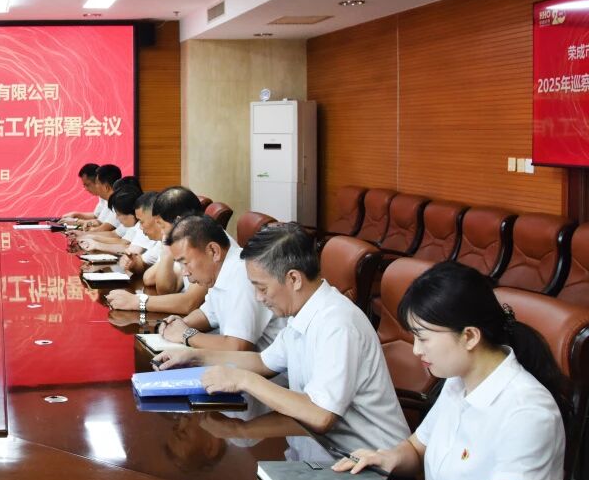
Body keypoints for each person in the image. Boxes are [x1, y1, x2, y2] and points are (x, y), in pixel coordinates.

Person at [307, 262, 569, 480]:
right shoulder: (458, 380)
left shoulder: (527, 411)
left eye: (423, 338)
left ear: (469, 336)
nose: (416, 350)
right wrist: (387, 457)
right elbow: (418, 448)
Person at [153, 223, 409, 454]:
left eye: (262, 288)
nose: (258, 297)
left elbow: (320, 415)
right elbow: (263, 362)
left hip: (370, 463)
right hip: (321, 451)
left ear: (294, 279)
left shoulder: (338, 324)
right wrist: (194, 356)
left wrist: (243, 380)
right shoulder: (303, 312)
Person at [155, 214, 284, 352]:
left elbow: (237, 347)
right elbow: (208, 315)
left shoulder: (243, 274)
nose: (184, 272)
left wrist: (186, 335)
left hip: (267, 364)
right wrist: (178, 324)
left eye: (185, 263)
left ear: (213, 251)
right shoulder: (220, 271)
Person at [105, 186, 206, 314]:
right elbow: (164, 288)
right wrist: (167, 250)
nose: (162, 233)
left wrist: (137, 301)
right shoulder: (183, 242)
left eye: (161, 225)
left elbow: (189, 303)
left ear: (178, 221)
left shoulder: (205, 243)